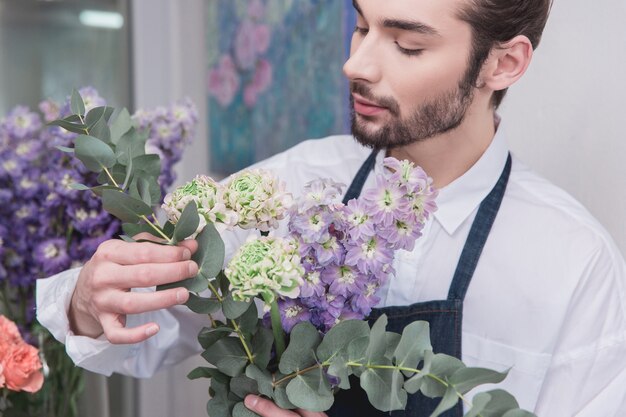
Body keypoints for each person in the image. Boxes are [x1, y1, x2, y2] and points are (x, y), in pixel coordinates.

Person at [36, 0, 626, 416]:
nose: (358, 65)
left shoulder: (574, 263)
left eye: (407, 44)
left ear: (504, 64)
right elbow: (144, 326)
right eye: (361, 26)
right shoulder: (291, 184)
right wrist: (88, 301)